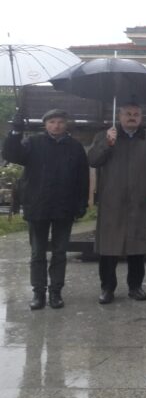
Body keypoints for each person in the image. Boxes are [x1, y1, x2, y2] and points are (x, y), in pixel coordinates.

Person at [2, 109, 89, 310]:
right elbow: (11, 154)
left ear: (66, 124)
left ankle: (56, 292)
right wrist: (16, 132)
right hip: (37, 206)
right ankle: (38, 293)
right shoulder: (33, 143)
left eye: (60, 121)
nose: (56, 125)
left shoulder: (75, 147)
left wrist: (82, 203)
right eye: (52, 121)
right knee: (37, 253)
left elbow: (82, 178)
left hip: (64, 208)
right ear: (45, 124)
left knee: (59, 252)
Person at [88, 103, 146, 305]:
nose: (132, 117)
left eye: (136, 114)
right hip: (112, 201)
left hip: (139, 200)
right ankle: (107, 288)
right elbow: (93, 160)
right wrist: (107, 143)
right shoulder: (104, 136)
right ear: (119, 116)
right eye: (128, 114)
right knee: (108, 248)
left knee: (137, 247)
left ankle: (135, 287)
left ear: (141, 117)